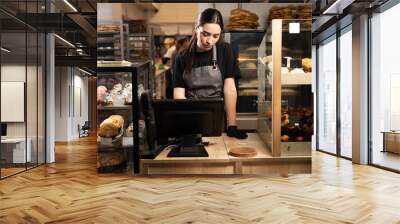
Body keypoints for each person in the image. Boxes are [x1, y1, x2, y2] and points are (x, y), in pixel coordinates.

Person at [172, 8, 247, 139]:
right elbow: (178, 94)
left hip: (217, 117)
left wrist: (232, 125)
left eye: (215, 36)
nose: (210, 41)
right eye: (205, 34)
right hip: (191, 117)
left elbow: (229, 88)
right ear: (197, 28)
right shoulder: (182, 56)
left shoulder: (225, 50)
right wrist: (188, 121)